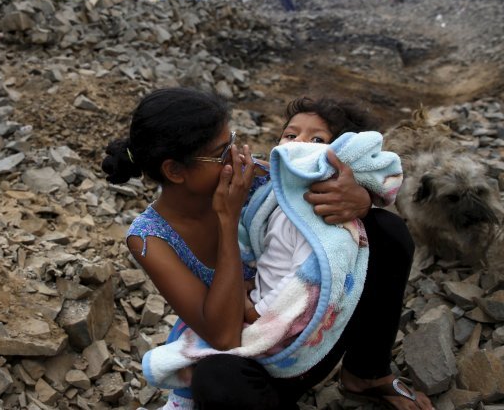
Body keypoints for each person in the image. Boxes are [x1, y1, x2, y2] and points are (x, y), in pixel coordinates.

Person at [101, 90, 431, 410]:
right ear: (174, 171)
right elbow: (224, 336)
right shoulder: (150, 238)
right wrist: (227, 221)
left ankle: (366, 374)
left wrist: (359, 199)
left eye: (232, 142)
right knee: (216, 380)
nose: (236, 156)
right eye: (220, 153)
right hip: (260, 361)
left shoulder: (256, 175)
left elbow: (332, 181)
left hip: (316, 334)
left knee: (387, 231)